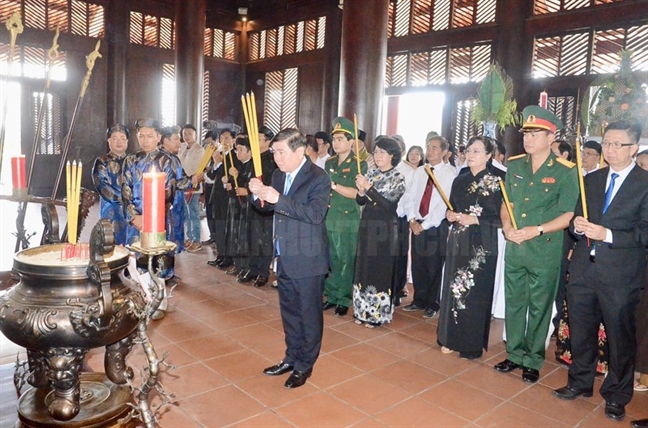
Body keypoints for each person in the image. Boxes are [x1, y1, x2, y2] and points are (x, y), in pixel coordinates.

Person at [553, 120, 648, 422]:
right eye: (607, 142)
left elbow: (645, 234)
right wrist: (577, 227)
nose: (609, 148)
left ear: (634, 149)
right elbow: (575, 219)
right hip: (584, 268)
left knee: (620, 338)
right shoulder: (592, 179)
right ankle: (579, 382)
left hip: (621, 274)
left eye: (618, 144)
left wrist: (606, 233)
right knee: (581, 330)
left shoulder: (645, 184)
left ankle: (617, 395)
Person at [495, 105, 579, 384]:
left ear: (551, 137)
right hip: (516, 246)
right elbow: (508, 203)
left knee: (540, 306)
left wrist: (537, 229)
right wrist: (507, 227)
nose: (528, 139)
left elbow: (568, 215)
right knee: (515, 303)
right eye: (526, 134)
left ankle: (532, 359)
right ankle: (515, 354)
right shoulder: (515, 165)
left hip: (544, 248)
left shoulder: (567, 171)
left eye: (535, 134)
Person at [250, 128, 330, 389]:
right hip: (283, 255)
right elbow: (265, 209)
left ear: (299, 151)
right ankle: (291, 357)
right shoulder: (277, 174)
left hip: (308, 259)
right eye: (274, 152)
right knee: (290, 313)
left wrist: (278, 198)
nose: (277, 158)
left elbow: (314, 214)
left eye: (281, 152)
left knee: (308, 315)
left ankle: (305, 366)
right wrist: (257, 193)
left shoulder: (318, 178)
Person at [436, 136, 502, 359]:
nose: (471, 155)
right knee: (453, 287)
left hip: (483, 242)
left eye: (476, 151)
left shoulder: (498, 180)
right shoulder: (460, 178)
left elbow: (503, 218)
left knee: (476, 292)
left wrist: (474, 220)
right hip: (459, 238)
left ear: (489, 155)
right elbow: (454, 208)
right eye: (468, 150)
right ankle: (449, 338)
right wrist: (451, 215)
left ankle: (470, 344)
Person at [352, 137, 406, 327]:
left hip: (385, 229)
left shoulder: (397, 177)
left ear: (393, 155)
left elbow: (389, 206)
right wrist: (361, 191)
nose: (377, 156)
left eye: (382, 152)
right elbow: (361, 202)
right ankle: (361, 311)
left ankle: (377, 315)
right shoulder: (371, 173)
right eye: (375, 152)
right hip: (367, 225)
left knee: (379, 270)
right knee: (364, 268)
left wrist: (369, 188)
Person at [401, 134, 455, 319]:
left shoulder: (449, 173)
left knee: (434, 265)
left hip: (435, 226)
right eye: (428, 147)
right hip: (417, 223)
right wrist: (412, 220)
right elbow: (409, 196)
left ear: (444, 152)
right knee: (418, 263)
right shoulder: (420, 171)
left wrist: (425, 225)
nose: (430, 151)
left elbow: (443, 204)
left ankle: (433, 302)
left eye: (434, 148)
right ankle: (419, 299)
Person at [322, 117, 367, 316]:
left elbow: (356, 194)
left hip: (347, 219)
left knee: (346, 259)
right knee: (332, 259)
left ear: (351, 142)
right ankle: (331, 295)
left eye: (341, 139)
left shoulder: (359, 165)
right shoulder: (329, 162)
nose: (336, 142)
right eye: (335, 138)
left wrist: (333, 185)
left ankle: (343, 298)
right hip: (330, 217)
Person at [247, 126, 277, 287]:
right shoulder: (255, 157)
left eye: (258, 139)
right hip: (253, 201)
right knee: (252, 236)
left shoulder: (272, 159)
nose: (255, 142)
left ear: (268, 141)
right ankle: (252, 269)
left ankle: (263, 272)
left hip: (267, 203)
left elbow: (274, 181)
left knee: (264, 238)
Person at [222, 136, 254, 281]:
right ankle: (237, 264)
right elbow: (232, 186)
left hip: (247, 207)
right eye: (236, 150)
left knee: (244, 237)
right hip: (235, 206)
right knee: (234, 235)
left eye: (241, 150)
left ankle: (246, 267)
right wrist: (229, 185)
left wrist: (246, 190)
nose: (238, 153)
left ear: (250, 152)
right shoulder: (237, 166)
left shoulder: (254, 166)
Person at [92, 124, 129, 245]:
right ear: (109, 141)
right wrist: (123, 199)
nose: (119, 142)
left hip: (131, 209)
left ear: (127, 142)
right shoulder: (102, 161)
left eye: (122, 139)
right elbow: (101, 184)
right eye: (115, 138)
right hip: (111, 207)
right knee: (110, 242)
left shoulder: (133, 160)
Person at [178, 124, 205, 252]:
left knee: (192, 213)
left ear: (195, 134)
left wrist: (182, 176)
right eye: (185, 134)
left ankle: (196, 240)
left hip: (192, 185)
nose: (187, 136)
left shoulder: (199, 149)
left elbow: (192, 168)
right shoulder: (182, 147)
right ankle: (189, 237)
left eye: (189, 134)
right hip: (183, 184)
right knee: (186, 213)